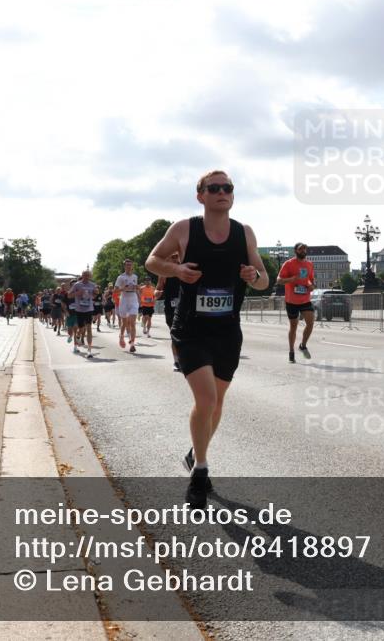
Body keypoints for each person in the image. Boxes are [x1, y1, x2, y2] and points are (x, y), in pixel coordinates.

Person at [145, 169, 269, 508]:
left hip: (227, 331)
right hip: (191, 329)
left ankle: (195, 451)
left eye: (227, 187)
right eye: (213, 188)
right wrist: (177, 271)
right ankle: (200, 473)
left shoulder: (244, 233)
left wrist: (253, 274)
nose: (221, 192)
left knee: (217, 402)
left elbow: (263, 281)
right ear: (200, 195)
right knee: (207, 400)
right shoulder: (184, 229)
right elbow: (152, 260)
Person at [277, 242, 316, 362]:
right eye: (301, 249)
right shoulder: (288, 264)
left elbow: (311, 280)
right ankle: (291, 351)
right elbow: (279, 280)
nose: (303, 250)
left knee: (310, 323)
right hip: (291, 300)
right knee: (293, 327)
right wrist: (291, 279)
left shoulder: (309, 264)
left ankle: (302, 345)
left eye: (305, 248)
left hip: (305, 299)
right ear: (296, 251)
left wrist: (311, 286)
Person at [154, 252, 183, 371]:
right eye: (173, 257)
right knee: (174, 334)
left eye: (177, 257)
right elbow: (158, 289)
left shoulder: (184, 270)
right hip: (170, 307)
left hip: (185, 306)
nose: (176, 259)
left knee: (187, 334)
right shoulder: (164, 274)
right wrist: (156, 293)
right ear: (168, 259)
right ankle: (176, 361)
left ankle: (185, 359)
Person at [70, 270, 97, 358]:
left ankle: (89, 351)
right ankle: (77, 336)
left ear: (90, 276)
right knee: (81, 329)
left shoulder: (92, 285)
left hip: (89, 309)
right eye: (84, 275)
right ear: (82, 276)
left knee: (89, 329)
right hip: (79, 310)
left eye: (88, 275)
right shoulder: (77, 284)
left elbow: (94, 295)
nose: (86, 277)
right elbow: (69, 295)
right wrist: (78, 293)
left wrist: (95, 293)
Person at [115, 259, 140, 352]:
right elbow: (115, 290)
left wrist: (137, 289)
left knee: (132, 323)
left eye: (130, 265)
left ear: (132, 266)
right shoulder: (120, 277)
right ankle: (121, 336)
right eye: (127, 265)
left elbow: (136, 288)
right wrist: (123, 288)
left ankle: (132, 344)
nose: (129, 266)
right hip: (124, 299)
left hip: (133, 299)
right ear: (124, 266)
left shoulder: (135, 276)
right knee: (124, 323)